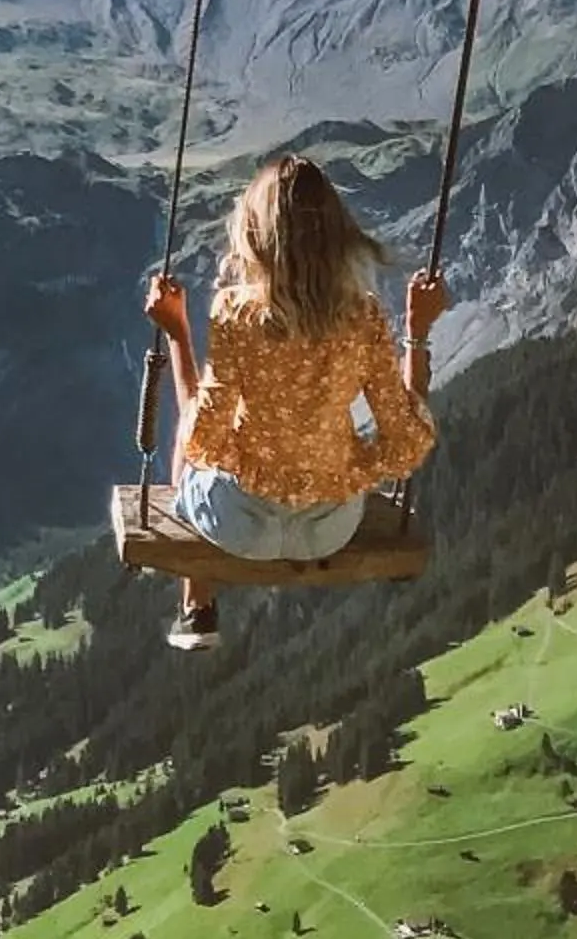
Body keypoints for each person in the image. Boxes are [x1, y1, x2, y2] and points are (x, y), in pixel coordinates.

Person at [143, 152, 447, 650]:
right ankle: (198, 604)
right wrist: (416, 335)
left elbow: (202, 438)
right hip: (330, 526)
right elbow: (408, 438)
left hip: (242, 526)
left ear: (256, 235)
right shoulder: (362, 318)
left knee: (189, 431)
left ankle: (197, 606)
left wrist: (177, 335)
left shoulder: (237, 314)